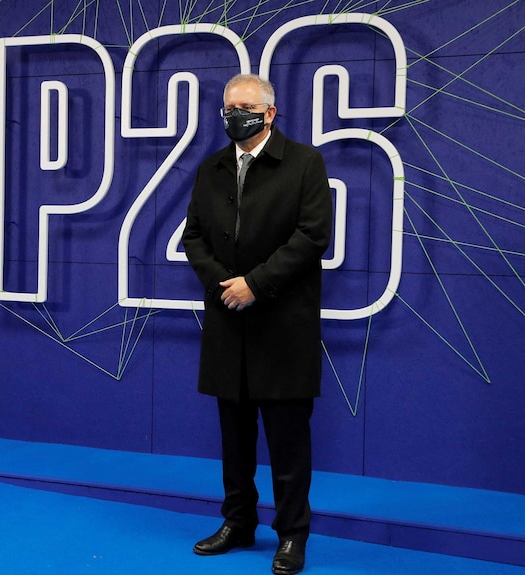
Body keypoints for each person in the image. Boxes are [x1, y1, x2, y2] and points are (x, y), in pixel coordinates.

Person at [181, 73, 332, 575]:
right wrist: (227, 284)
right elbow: (194, 237)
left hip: (282, 323)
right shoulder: (211, 168)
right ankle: (237, 522)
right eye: (227, 107)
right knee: (235, 438)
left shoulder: (305, 163)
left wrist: (256, 284)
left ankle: (292, 535)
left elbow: (312, 238)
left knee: (289, 443)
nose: (232, 115)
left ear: (269, 112)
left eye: (243, 107)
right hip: (229, 322)